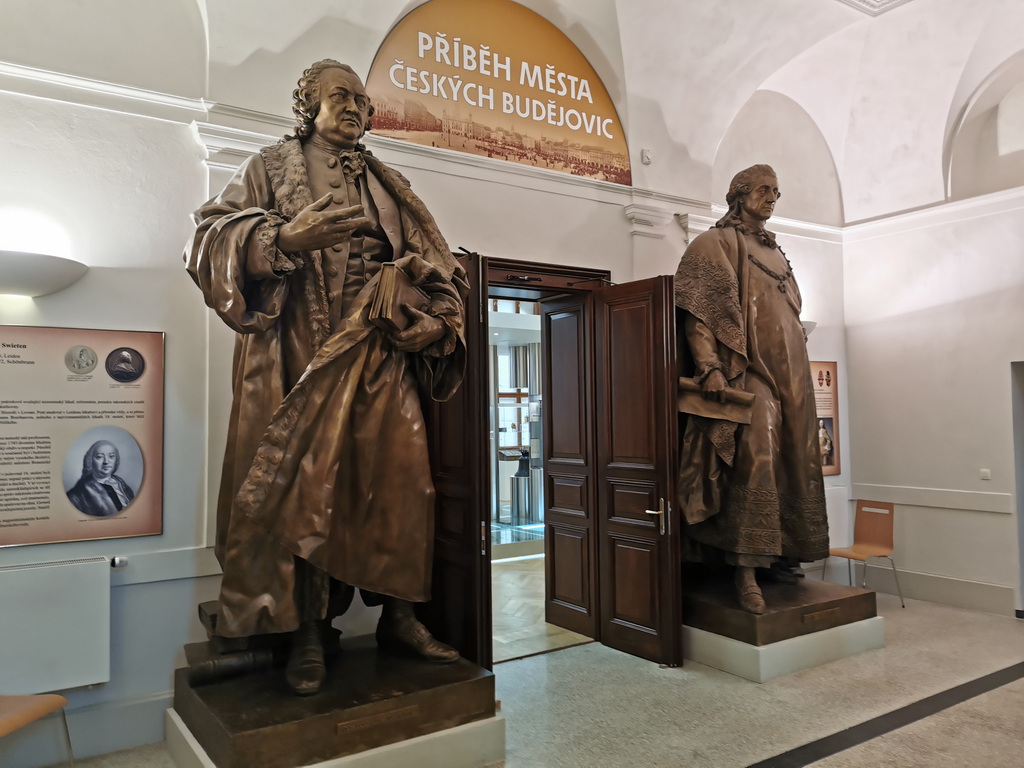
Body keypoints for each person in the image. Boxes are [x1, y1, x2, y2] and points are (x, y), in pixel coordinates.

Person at [185, 60, 469, 695]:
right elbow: (207, 240)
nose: (356, 109)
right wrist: (284, 237)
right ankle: (308, 633)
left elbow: (437, 270)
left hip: (378, 355)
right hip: (298, 356)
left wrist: (435, 322)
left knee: (405, 484)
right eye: (341, 96)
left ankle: (401, 617)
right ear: (307, 105)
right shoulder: (267, 168)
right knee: (304, 489)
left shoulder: (390, 185)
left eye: (363, 102)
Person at [675, 164, 828, 614]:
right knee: (758, 453)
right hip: (747, 369)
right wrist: (709, 366)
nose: (772, 198)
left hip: (793, 371)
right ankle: (745, 568)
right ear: (739, 194)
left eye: (776, 192)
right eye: (764, 190)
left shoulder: (777, 252)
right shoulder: (715, 244)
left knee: (798, 458)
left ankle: (784, 553)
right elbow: (700, 313)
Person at [67, 440, 135, 516]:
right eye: (99, 457)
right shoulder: (78, 493)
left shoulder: (121, 484)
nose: (106, 461)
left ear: (116, 459)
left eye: (111, 456)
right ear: (90, 460)